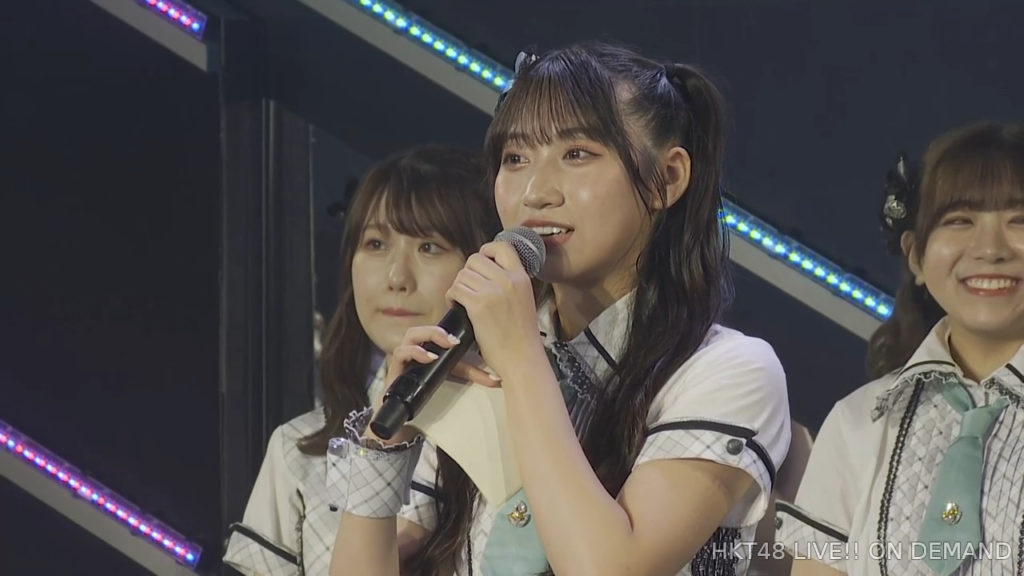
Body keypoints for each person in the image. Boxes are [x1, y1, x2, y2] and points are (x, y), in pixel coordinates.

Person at [327, 42, 791, 576]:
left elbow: (610, 568)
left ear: (667, 179)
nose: (535, 192)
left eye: (577, 154)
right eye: (515, 158)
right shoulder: (477, 358)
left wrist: (521, 358)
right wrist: (385, 443)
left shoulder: (728, 371)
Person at [222, 144, 501, 575]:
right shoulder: (299, 449)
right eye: (375, 244)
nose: (396, 277)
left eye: (430, 246)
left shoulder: (523, 424)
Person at [778, 121, 1024, 575]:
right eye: (960, 220)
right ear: (916, 256)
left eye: (1019, 221)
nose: (990, 249)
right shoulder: (859, 422)